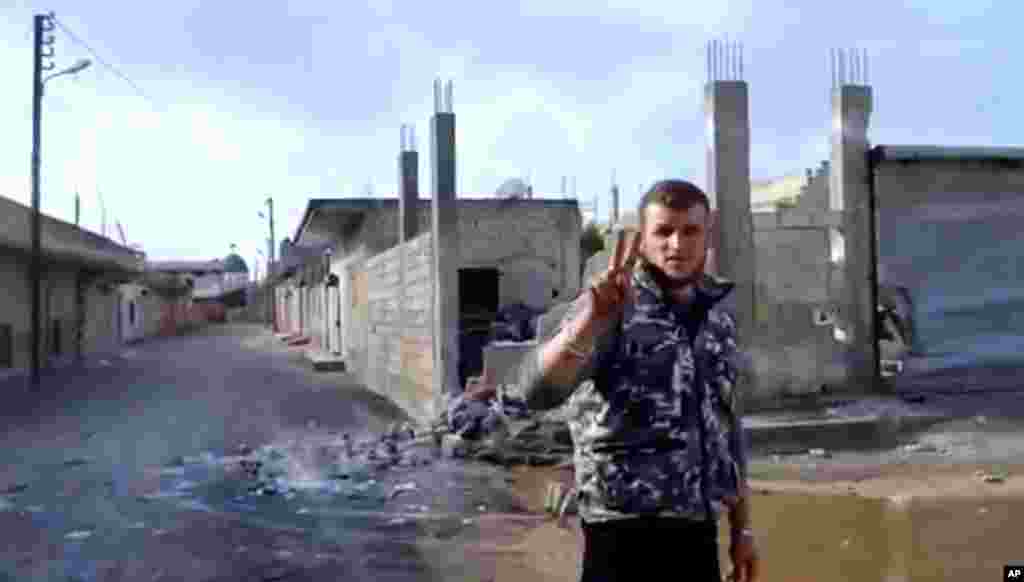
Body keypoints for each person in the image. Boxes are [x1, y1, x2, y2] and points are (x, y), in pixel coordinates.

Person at [519, 179, 760, 582]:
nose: (677, 245)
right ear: (643, 240)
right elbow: (536, 392)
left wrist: (742, 527)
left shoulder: (717, 320)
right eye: (663, 231)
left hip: (696, 529)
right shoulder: (610, 304)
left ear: (708, 237)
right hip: (620, 532)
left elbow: (727, 426)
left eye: (690, 231)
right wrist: (588, 324)